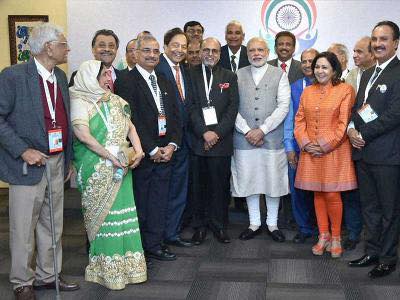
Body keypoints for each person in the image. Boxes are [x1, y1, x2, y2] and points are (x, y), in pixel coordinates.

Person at [0, 23, 79, 300]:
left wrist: (68, 159)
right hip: (27, 163)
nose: (67, 49)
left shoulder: (59, 76)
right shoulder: (13, 76)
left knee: (53, 223)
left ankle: (48, 276)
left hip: (56, 161)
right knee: (23, 226)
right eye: (63, 44)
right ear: (48, 47)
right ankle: (22, 281)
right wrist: (23, 150)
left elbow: (64, 121)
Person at [70, 60, 147, 289]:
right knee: (104, 220)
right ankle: (107, 271)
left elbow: (130, 127)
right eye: (102, 75)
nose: (107, 79)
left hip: (121, 168)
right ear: (88, 77)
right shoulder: (79, 100)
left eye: (108, 75)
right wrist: (109, 157)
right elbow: (83, 135)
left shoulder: (116, 100)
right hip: (97, 167)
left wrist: (139, 150)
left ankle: (130, 269)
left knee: (124, 218)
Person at [115, 35, 181, 261]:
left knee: (159, 202)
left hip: (166, 152)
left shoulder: (163, 79)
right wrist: (152, 149)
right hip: (143, 155)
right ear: (135, 53)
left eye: (155, 51)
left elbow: (174, 115)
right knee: (141, 203)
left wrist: (172, 144)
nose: (152, 55)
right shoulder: (125, 80)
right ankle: (139, 248)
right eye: (146, 51)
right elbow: (130, 119)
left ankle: (155, 244)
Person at [347, 20, 400, 278]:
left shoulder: (399, 72)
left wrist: (362, 134)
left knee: (390, 210)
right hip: (364, 153)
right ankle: (373, 251)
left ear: (396, 43)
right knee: (369, 207)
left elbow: (394, 115)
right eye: (375, 39)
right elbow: (360, 110)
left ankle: (389, 258)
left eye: (384, 39)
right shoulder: (368, 73)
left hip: (388, 155)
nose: (378, 44)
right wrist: (351, 131)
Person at [294, 51, 357, 258]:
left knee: (332, 194)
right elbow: (299, 121)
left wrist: (324, 145)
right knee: (317, 193)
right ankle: (324, 235)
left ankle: (337, 236)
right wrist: (305, 143)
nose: (320, 71)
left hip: (334, 151)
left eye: (324, 67)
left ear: (334, 70)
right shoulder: (307, 92)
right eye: (317, 67)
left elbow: (343, 124)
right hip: (310, 151)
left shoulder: (345, 90)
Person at [232, 37, 290, 242]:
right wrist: (248, 131)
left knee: (273, 181)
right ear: (247, 54)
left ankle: (272, 224)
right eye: (252, 51)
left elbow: (284, 106)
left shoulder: (279, 75)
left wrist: (262, 130)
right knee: (249, 180)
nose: (256, 54)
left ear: (267, 52)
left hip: (272, 138)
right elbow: (231, 107)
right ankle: (254, 223)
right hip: (244, 139)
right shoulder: (237, 75)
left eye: (260, 50)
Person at [189, 37, 239, 244]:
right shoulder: (189, 75)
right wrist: (204, 132)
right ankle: (199, 226)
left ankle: (219, 226)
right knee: (198, 187)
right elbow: (189, 107)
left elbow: (232, 108)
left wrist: (216, 133)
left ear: (220, 54)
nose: (210, 54)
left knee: (219, 188)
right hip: (198, 141)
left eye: (215, 51)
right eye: (206, 50)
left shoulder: (229, 76)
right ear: (200, 52)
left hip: (221, 141)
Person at [156, 28, 193, 247]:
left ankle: (172, 232)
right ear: (166, 46)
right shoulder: (156, 69)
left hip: (183, 142)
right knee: (161, 192)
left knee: (179, 189)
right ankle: (157, 237)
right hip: (162, 144)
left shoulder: (185, 71)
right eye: (175, 45)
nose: (179, 50)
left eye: (183, 46)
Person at [341, 37, 375, 251]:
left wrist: (365, 133)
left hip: (378, 143)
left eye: (359, 52)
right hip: (352, 141)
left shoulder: (386, 76)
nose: (355, 56)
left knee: (377, 199)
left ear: (372, 54)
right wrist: (351, 130)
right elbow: (348, 110)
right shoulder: (352, 76)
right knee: (353, 192)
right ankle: (354, 233)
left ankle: (376, 238)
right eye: (353, 51)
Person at [284, 48, 319, 244]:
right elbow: (289, 121)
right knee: (298, 191)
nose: (307, 65)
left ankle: (322, 229)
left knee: (321, 192)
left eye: (311, 61)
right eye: (304, 61)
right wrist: (289, 148)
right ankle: (304, 228)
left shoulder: (331, 86)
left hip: (323, 148)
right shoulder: (295, 87)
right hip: (298, 148)